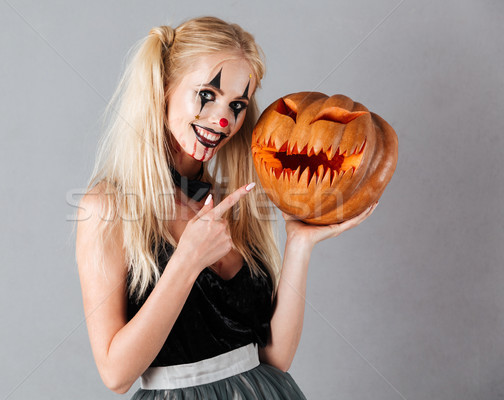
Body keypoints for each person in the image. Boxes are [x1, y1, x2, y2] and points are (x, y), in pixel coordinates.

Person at [75, 16, 376, 399]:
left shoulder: (231, 200)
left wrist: (298, 244)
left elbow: (274, 359)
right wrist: (187, 260)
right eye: (206, 94)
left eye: (237, 104)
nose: (223, 119)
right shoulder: (107, 207)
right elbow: (115, 375)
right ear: (162, 89)